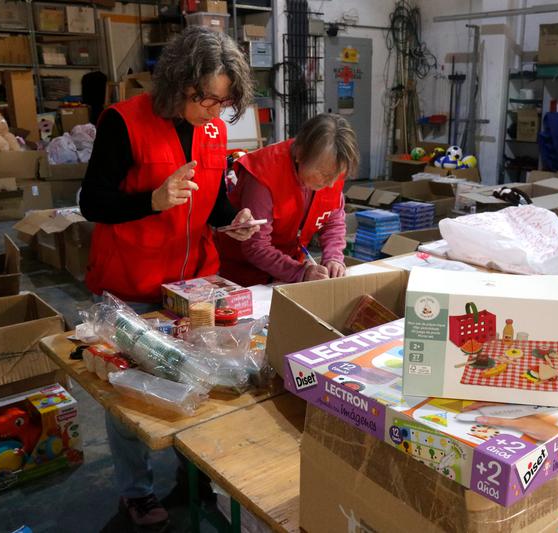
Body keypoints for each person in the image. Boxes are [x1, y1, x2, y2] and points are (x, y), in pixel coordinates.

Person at [79, 26, 257, 529]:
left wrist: (232, 221)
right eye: (206, 99)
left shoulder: (215, 132)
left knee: (200, 383)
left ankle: (191, 476)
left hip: (193, 286)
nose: (213, 111)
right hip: (131, 285)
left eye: (223, 103)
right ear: (178, 81)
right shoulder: (123, 122)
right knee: (130, 396)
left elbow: (212, 203)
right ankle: (136, 491)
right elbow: (91, 202)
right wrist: (151, 201)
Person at [216, 113, 359, 286]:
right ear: (300, 153)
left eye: (336, 176)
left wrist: (334, 257)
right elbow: (256, 246)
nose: (330, 184)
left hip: (291, 269)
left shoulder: (332, 168)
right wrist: (300, 272)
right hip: (245, 275)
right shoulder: (263, 175)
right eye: (324, 174)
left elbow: (333, 220)